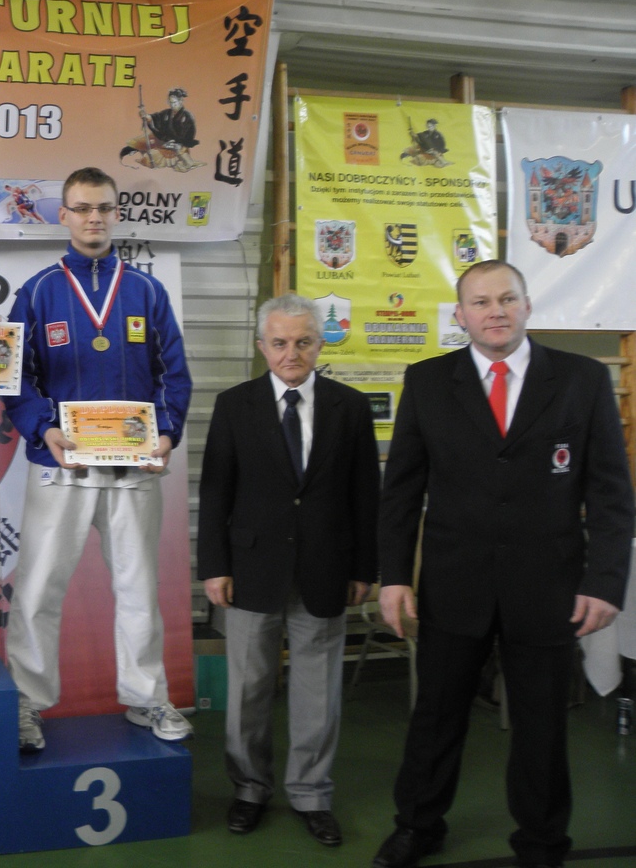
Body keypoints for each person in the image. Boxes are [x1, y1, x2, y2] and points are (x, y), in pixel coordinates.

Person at [372, 260, 633, 868]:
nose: (496, 311)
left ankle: (542, 842)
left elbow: (612, 492)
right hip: (452, 584)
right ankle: (417, 826)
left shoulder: (582, 379)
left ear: (528, 305)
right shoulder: (428, 381)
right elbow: (401, 492)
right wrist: (394, 577)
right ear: (460, 315)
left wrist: (605, 582)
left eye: (507, 299)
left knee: (543, 725)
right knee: (436, 717)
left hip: (548, 586)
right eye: (481, 302)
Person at [4, 166, 194, 750]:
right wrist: (43, 428)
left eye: (104, 208)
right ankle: (27, 704)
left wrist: (166, 434)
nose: (94, 218)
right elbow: (15, 377)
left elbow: (174, 373)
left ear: (117, 213)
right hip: (60, 466)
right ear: (63, 215)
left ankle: (146, 697)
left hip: (133, 467)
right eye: (83, 208)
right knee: (38, 589)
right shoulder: (38, 291)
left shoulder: (146, 291)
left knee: (139, 589)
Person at [198, 293, 380, 847]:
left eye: (303, 342)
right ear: (262, 346)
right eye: (279, 343)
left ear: (320, 344)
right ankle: (249, 788)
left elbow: (365, 495)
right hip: (251, 569)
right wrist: (214, 567)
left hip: (326, 568)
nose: (291, 353)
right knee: (248, 688)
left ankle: (311, 793)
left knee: (317, 691)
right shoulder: (235, 405)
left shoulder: (350, 407)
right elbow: (216, 493)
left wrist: (364, 567)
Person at [119, 87, 198, 171]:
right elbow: (157, 117)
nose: (172, 105)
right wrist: (147, 117)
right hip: (163, 139)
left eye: (174, 102)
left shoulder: (187, 117)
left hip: (176, 147)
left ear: (181, 101)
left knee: (148, 159)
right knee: (139, 141)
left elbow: (187, 138)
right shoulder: (167, 113)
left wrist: (174, 143)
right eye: (170, 102)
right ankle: (134, 149)